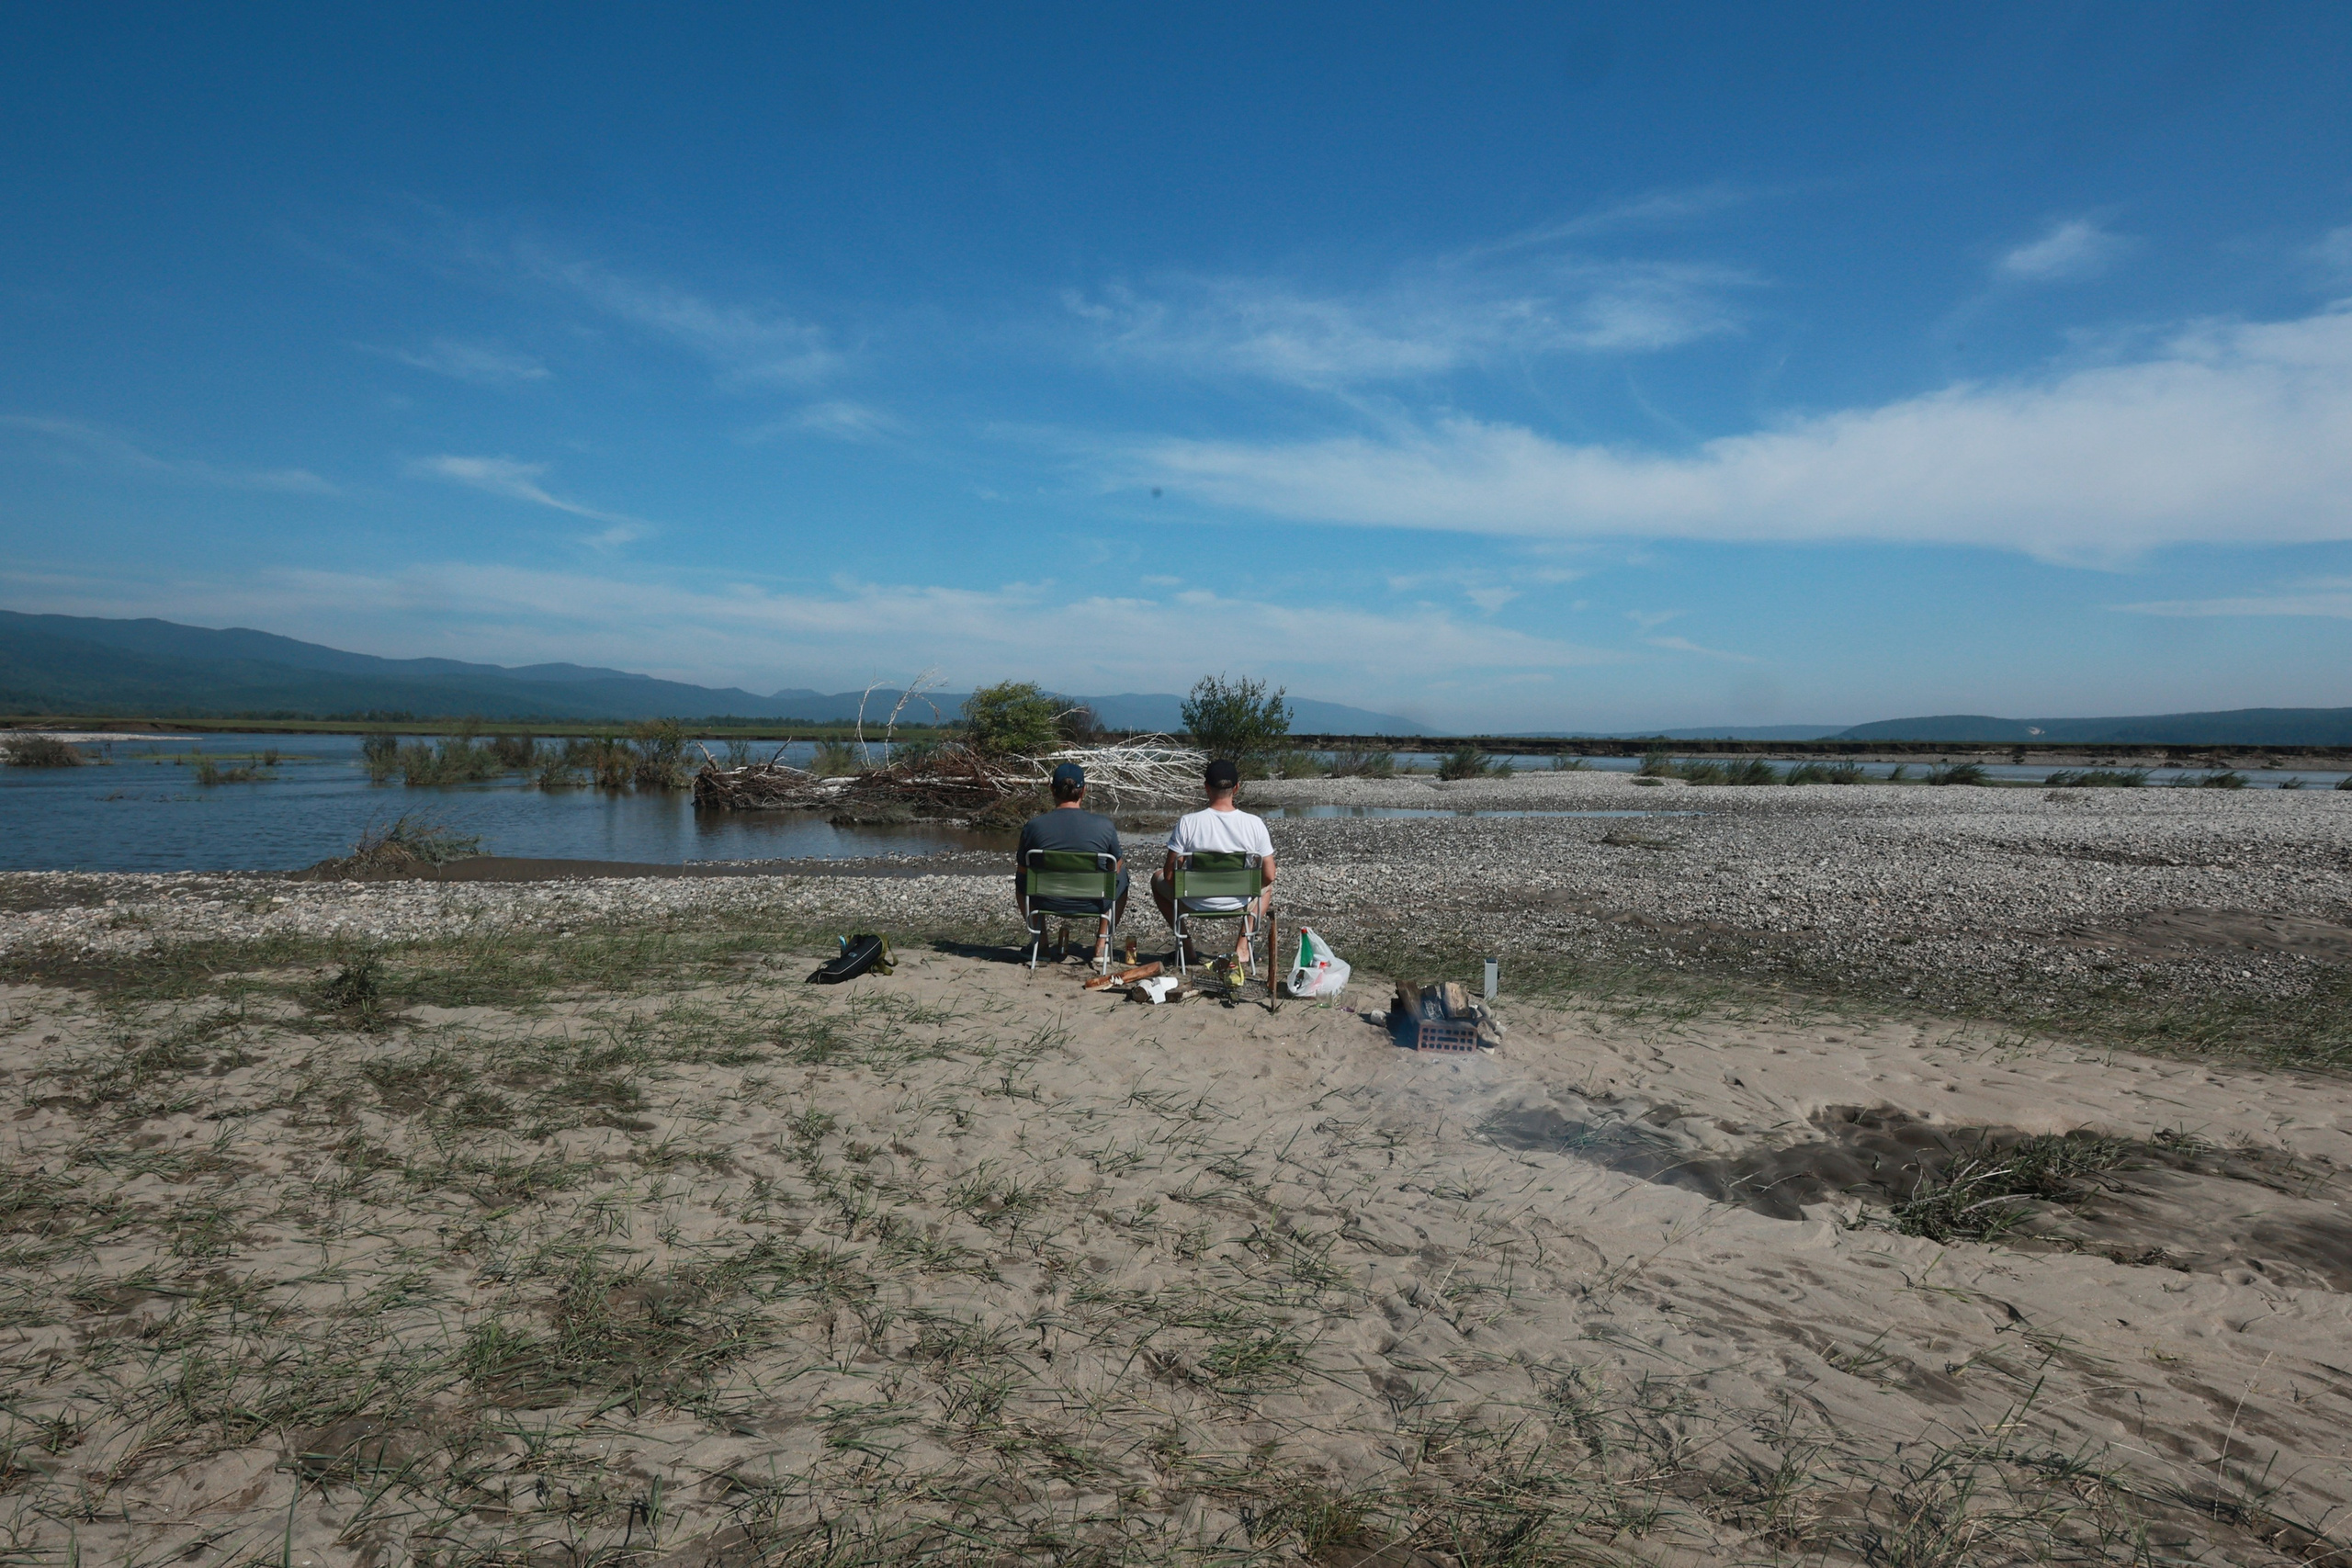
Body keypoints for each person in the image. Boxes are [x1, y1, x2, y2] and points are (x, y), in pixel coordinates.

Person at [1151, 757, 1277, 963]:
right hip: (1238, 901)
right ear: (1236, 787)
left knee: (1155, 879)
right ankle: (1242, 948)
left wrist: (1185, 889)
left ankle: (1186, 947)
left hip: (1193, 901)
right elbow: (1270, 875)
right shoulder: (1254, 824)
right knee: (1266, 889)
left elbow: (1169, 874)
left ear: (1206, 787)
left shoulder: (1188, 823)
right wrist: (1250, 888)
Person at [1013, 761, 1127, 962]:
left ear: (1052, 790)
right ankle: (1101, 945)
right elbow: (1115, 868)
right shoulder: (1104, 826)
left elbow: (1023, 870)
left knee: (1022, 878)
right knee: (1121, 875)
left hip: (1047, 899)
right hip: (1093, 901)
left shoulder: (1033, 826)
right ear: (1083, 791)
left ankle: (1040, 943)